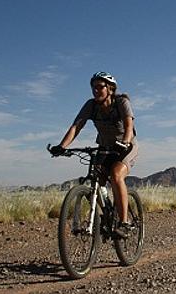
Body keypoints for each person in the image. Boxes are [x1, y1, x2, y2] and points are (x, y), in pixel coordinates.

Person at [50, 71, 138, 238]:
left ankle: (125, 222)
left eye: (99, 87)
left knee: (116, 175)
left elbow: (128, 126)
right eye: (93, 87)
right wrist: (61, 146)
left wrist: (125, 143)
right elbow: (76, 126)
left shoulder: (122, 102)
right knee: (96, 180)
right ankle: (106, 216)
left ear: (110, 89)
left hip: (126, 147)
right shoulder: (91, 105)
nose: (95, 90)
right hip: (104, 147)